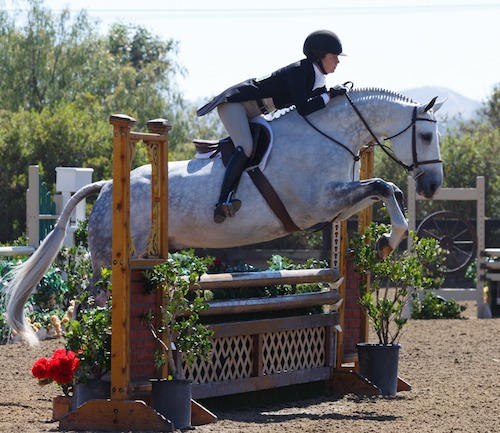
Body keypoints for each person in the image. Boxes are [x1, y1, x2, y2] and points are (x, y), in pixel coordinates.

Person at [197, 30, 347, 224]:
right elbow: (304, 108)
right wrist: (330, 96)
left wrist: (336, 97)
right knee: (247, 147)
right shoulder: (300, 71)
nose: (338, 61)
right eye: (334, 57)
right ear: (319, 56)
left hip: (255, 111)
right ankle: (222, 201)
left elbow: (321, 106)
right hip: (235, 104)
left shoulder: (315, 76)